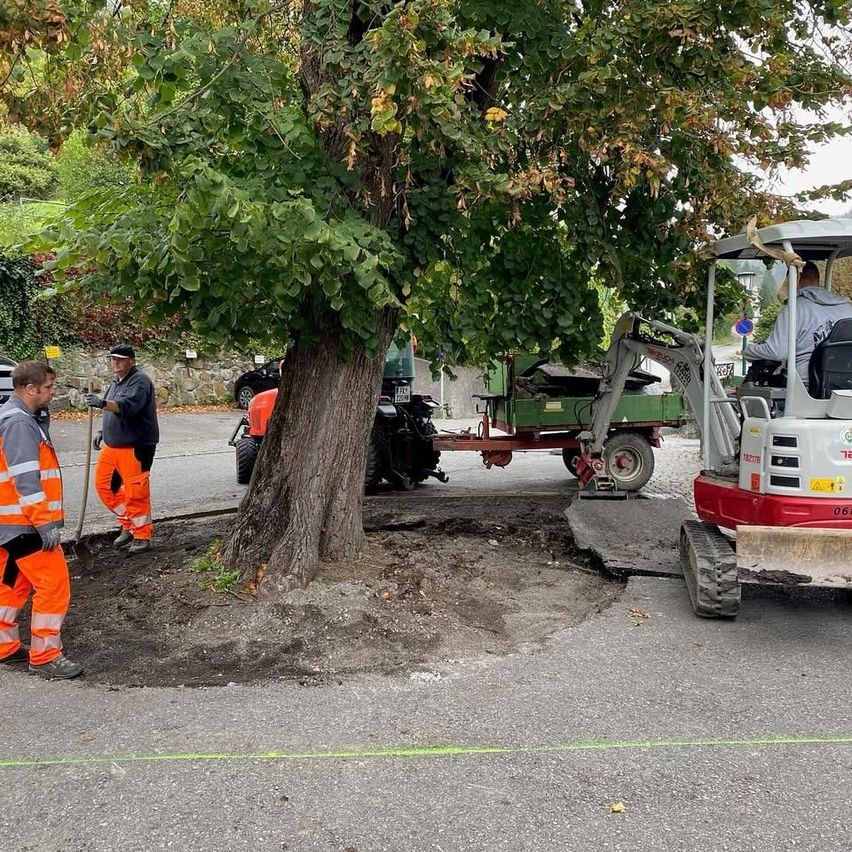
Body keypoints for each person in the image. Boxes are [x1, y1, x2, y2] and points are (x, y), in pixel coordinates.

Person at [0, 361, 84, 679]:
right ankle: (46, 654)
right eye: (48, 388)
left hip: (8, 523)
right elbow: (26, 479)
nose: (52, 393)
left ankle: (4, 647)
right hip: (25, 524)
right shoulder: (19, 423)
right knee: (53, 585)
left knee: (11, 584)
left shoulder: (11, 417)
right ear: (30, 389)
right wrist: (45, 522)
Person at [85, 344, 159, 554]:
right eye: (112, 359)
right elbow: (112, 409)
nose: (115, 362)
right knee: (106, 487)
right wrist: (103, 430)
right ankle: (128, 524)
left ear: (131, 361)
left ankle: (142, 535)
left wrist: (101, 403)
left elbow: (128, 406)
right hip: (114, 444)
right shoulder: (116, 382)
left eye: (120, 359)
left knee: (136, 491)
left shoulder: (140, 381)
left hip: (135, 445)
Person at [743, 261, 852, 383]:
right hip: (844, 384)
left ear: (794, 280)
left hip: (804, 384)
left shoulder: (794, 308)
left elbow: (777, 352)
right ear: (817, 279)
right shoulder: (847, 308)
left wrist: (748, 351)